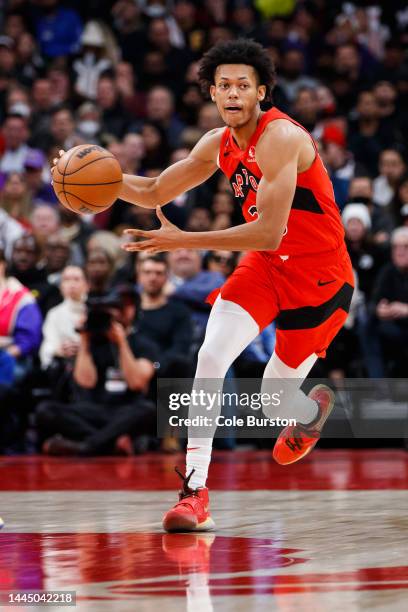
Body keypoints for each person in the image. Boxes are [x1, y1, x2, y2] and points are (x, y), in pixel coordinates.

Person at [53, 39, 354, 532]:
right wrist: (82, 177)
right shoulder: (217, 143)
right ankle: (194, 493)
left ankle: (308, 409)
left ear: (262, 91)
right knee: (210, 357)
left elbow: (270, 229)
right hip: (263, 268)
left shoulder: (281, 138)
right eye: (223, 86)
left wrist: (182, 239)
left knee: (274, 400)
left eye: (242, 85)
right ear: (212, 94)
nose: (232, 94)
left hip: (319, 277)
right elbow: (152, 190)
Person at [36, 288, 158, 456]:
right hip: (92, 410)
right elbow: (85, 382)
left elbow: (136, 382)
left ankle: (87, 446)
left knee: (148, 410)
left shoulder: (143, 344)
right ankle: (110, 443)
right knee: (46, 410)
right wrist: (85, 339)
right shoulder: (91, 342)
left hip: (124, 411)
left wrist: (122, 343)